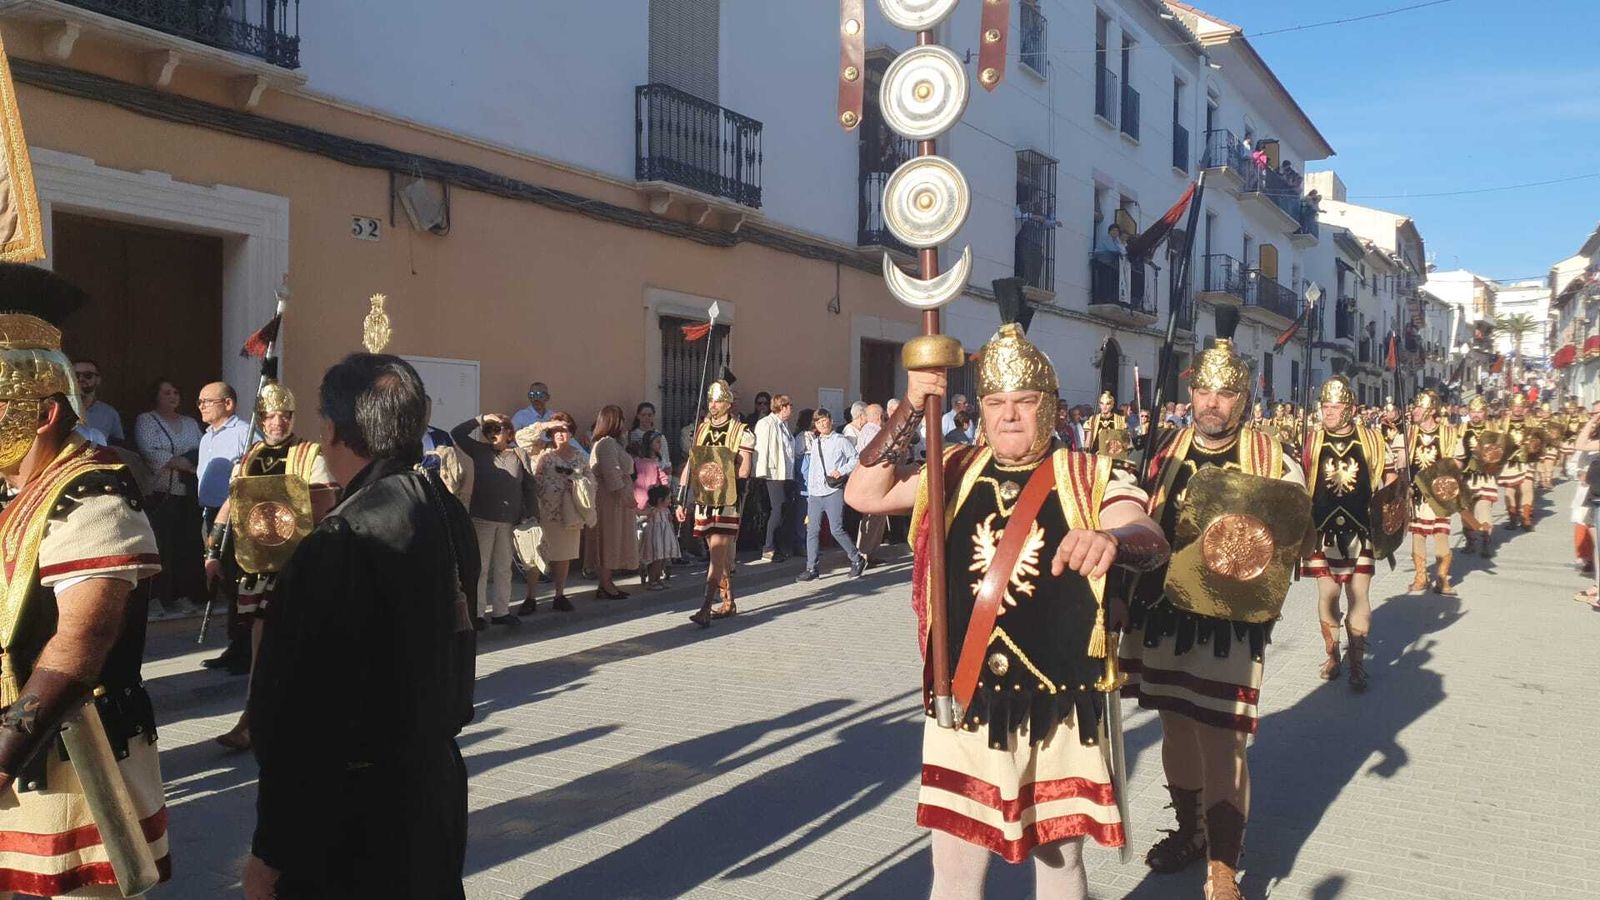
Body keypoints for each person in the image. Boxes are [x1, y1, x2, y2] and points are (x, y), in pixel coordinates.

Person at [845, 316, 1169, 898]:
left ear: (1048, 405)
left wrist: (1112, 541)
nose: (1009, 414)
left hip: (1060, 705)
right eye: (995, 401)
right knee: (955, 867)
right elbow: (863, 494)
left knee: (1059, 861)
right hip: (963, 698)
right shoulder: (953, 469)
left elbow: (1147, 531)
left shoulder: (1087, 474)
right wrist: (912, 406)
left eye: (1023, 401)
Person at [246, 353, 477, 900]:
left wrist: (270, 850)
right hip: (431, 787)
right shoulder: (445, 507)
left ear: (330, 428)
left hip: (355, 811)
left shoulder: (340, 539)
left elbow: (293, 709)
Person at [1119, 307, 1306, 900]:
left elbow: (1290, 530)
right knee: (1176, 726)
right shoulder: (1160, 452)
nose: (1213, 401)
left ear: (1243, 398)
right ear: (1191, 390)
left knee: (1223, 739)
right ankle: (1189, 830)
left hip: (1230, 621)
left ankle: (1223, 867)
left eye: (1226, 392)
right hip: (1164, 614)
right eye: (1205, 389)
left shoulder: (1272, 459)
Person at [0, 310, 170, 897]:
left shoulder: (93, 489)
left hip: (69, 755)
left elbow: (81, 643)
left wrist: (4, 753)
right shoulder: (15, 491)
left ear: (44, 414)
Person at [207, 382, 339, 752]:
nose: (277, 422)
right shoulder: (249, 456)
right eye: (269, 415)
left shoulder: (310, 454)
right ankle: (254, 718)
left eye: (284, 415)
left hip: (301, 562)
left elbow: (325, 500)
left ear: (293, 417)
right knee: (262, 642)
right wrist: (213, 550)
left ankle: (303, 717)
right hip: (259, 565)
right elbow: (232, 504)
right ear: (261, 418)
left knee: (304, 642)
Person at [1301, 376, 1399, 693]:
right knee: (1328, 596)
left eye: (1335, 407)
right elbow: (1297, 484)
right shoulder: (1312, 440)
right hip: (1321, 532)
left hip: (1360, 530)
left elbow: (1390, 478)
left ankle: (1357, 663)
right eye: (1325, 406)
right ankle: (1333, 656)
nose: (1328, 412)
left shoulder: (1371, 440)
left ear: (1350, 408)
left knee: (1359, 594)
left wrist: (1393, 505)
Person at [677, 380, 754, 627]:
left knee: (717, 553)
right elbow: (691, 464)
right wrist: (680, 499)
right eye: (711, 400)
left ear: (728, 403)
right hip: (703, 499)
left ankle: (705, 607)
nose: (713, 404)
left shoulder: (740, 431)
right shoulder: (700, 429)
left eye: (718, 400)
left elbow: (744, 470)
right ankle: (728, 601)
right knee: (715, 553)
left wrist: (723, 468)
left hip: (726, 500)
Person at [452, 412, 534, 628]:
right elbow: (457, 433)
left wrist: (533, 514)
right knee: (482, 567)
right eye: (490, 431)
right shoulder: (479, 451)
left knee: (503, 567)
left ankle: (501, 611)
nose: (494, 434)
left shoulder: (519, 454)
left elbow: (529, 485)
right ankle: (478, 613)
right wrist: (482, 418)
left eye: (499, 429)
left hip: (510, 520)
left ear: (509, 432)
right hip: (483, 517)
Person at [197, 381, 256, 668]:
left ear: (228, 404)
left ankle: (245, 647)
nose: (202, 406)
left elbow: (253, 475)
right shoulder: (207, 436)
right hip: (210, 516)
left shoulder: (245, 434)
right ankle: (235, 643)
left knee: (238, 582)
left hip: (235, 518)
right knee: (220, 579)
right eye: (200, 402)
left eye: (208, 401)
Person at [135, 377, 205, 617]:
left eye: (176, 392)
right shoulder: (147, 420)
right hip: (160, 494)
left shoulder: (190, 423)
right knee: (161, 546)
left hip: (188, 494)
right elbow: (151, 452)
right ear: (156, 396)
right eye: (166, 392)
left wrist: (186, 463)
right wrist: (184, 462)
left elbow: (202, 449)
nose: (173, 396)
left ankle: (183, 596)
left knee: (186, 545)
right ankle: (156, 598)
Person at [526, 414, 587, 612]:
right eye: (557, 430)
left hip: (568, 512)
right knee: (537, 553)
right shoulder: (540, 450)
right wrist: (546, 424)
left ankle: (559, 595)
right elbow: (520, 438)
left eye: (565, 429)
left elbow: (590, 478)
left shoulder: (579, 455)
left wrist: (577, 482)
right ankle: (530, 597)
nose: (561, 434)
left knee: (564, 554)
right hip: (543, 511)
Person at [795, 408, 865, 582]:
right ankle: (811, 567)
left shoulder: (840, 440)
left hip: (833, 490)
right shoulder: (815, 441)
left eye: (824, 420)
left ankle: (857, 558)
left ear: (830, 420)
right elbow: (813, 468)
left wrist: (841, 471)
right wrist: (810, 491)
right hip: (815, 493)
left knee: (836, 529)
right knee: (812, 529)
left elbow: (855, 459)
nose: (822, 424)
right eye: (818, 422)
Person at [1405, 391, 1463, 594]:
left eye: (1419, 408)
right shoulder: (1409, 435)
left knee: (1440, 535)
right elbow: (1403, 464)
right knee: (1418, 535)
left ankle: (1442, 578)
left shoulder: (1448, 433)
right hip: (1417, 494)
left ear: (1430, 410)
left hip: (1438, 494)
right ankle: (1421, 576)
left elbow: (1457, 462)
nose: (1414, 411)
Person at [589, 405, 640, 600]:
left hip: (617, 499)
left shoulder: (614, 443)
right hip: (611, 500)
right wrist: (624, 495)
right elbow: (611, 472)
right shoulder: (606, 444)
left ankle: (608, 581)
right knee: (609, 539)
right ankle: (605, 582)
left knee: (615, 539)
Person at [753, 393, 796, 562]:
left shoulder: (784, 425)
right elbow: (761, 449)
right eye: (789, 405)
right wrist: (762, 472)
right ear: (782, 407)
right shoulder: (766, 423)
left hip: (786, 473)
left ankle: (778, 546)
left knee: (783, 509)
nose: (791, 408)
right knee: (776, 509)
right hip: (773, 473)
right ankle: (768, 547)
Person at [1459, 396, 1503, 557]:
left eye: (1479, 411)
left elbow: (1502, 451)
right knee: (1466, 511)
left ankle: (1485, 541)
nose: (1476, 415)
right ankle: (1470, 540)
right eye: (1473, 411)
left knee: (1483, 508)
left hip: (1485, 477)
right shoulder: (1461, 429)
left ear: (1485, 412)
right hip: (1466, 477)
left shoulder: (1494, 428)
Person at [855, 403, 889, 567]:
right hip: (873, 479)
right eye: (883, 415)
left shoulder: (871, 431)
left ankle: (870, 551)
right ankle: (865, 552)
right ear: (879, 416)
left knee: (877, 517)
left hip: (875, 479)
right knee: (871, 517)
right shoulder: (872, 432)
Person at [1497, 394, 1538, 530]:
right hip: (1509, 461)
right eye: (1516, 406)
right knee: (1510, 491)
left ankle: (1526, 517)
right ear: (1511, 407)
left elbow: (1539, 438)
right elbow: (1497, 440)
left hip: (1527, 460)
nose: (1518, 409)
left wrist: (1533, 444)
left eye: (1521, 406)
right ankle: (1513, 518)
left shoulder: (1531, 421)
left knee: (1527, 487)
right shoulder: (1503, 422)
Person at [72, 357, 124, 446]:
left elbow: (118, 446)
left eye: (88, 375)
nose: (80, 379)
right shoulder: (58, 410)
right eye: (75, 375)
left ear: (98, 380)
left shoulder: (109, 413)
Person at [639, 484, 679, 590]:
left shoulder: (666, 510)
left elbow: (669, 521)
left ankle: (658, 578)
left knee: (661, 559)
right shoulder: (653, 510)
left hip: (664, 536)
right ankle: (652, 581)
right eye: (668, 498)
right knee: (656, 560)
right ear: (660, 500)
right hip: (656, 537)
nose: (670, 500)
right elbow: (641, 515)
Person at [627, 402, 672, 474]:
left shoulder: (660, 437)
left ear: (653, 416)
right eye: (643, 415)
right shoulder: (630, 435)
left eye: (649, 415)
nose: (646, 417)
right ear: (638, 416)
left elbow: (666, 458)